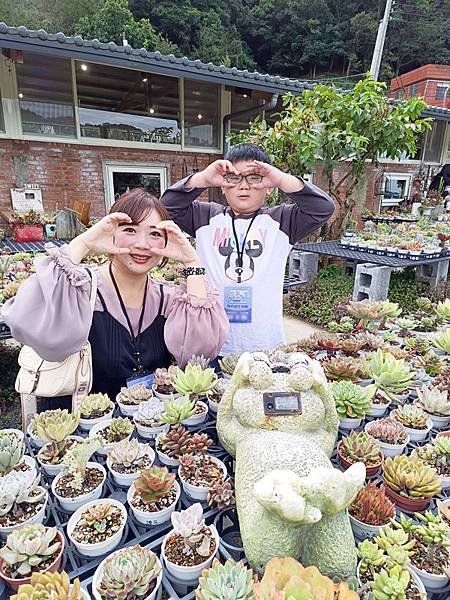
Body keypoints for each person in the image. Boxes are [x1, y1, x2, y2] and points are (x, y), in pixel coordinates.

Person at [2, 188, 229, 407]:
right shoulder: (81, 292)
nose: (142, 244)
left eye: (154, 233)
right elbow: (25, 322)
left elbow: (199, 354)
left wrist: (192, 263)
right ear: (110, 233)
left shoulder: (167, 299)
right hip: (78, 432)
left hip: (147, 432)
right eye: (129, 230)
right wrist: (84, 243)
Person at [162, 143, 334, 356]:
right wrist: (204, 179)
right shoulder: (204, 217)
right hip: (213, 342)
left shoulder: (283, 220)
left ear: (268, 186)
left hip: (266, 345)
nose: (244, 186)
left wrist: (281, 179)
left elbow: (323, 208)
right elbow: (167, 206)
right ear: (223, 186)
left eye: (254, 178)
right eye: (234, 178)